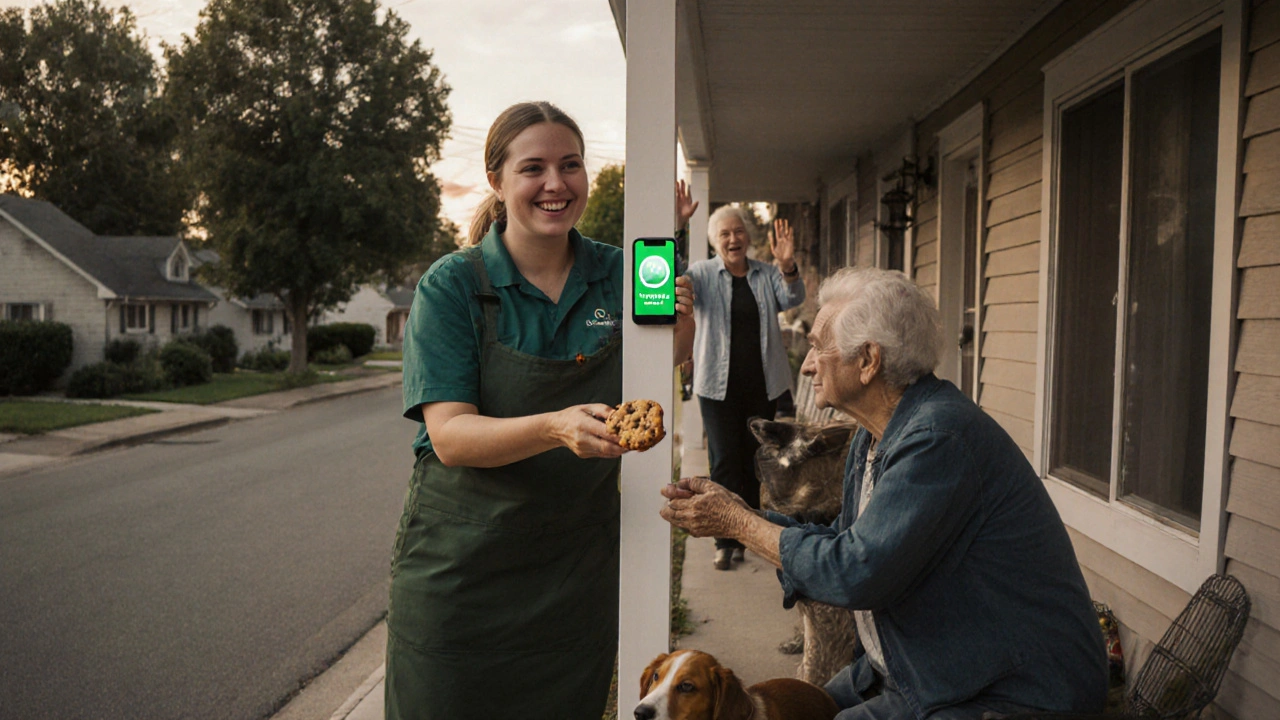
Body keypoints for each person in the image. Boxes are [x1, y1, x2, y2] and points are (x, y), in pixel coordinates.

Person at [660, 268, 1108, 719]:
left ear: (869, 360)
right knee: (775, 708)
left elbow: (855, 571)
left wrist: (739, 525)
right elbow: (844, 540)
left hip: (1010, 691)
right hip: (919, 668)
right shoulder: (875, 435)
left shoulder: (938, 438)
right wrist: (740, 516)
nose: (808, 364)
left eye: (818, 347)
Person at [388, 101, 694, 719]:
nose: (556, 184)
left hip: (570, 577)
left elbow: (663, 371)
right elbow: (450, 436)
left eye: (571, 165)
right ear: (497, 182)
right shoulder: (453, 286)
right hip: (460, 576)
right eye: (534, 168)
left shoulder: (625, 270)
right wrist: (556, 427)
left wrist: (681, 327)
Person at [678, 187, 805, 570]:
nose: (732, 239)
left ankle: (747, 531)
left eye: (738, 231)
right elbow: (671, 271)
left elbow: (793, 296)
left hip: (760, 383)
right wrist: (678, 226)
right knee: (723, 460)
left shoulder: (766, 274)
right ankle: (723, 539)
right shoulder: (701, 273)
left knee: (754, 460)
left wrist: (787, 264)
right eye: (724, 234)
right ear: (715, 241)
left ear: (748, 237)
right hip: (716, 386)